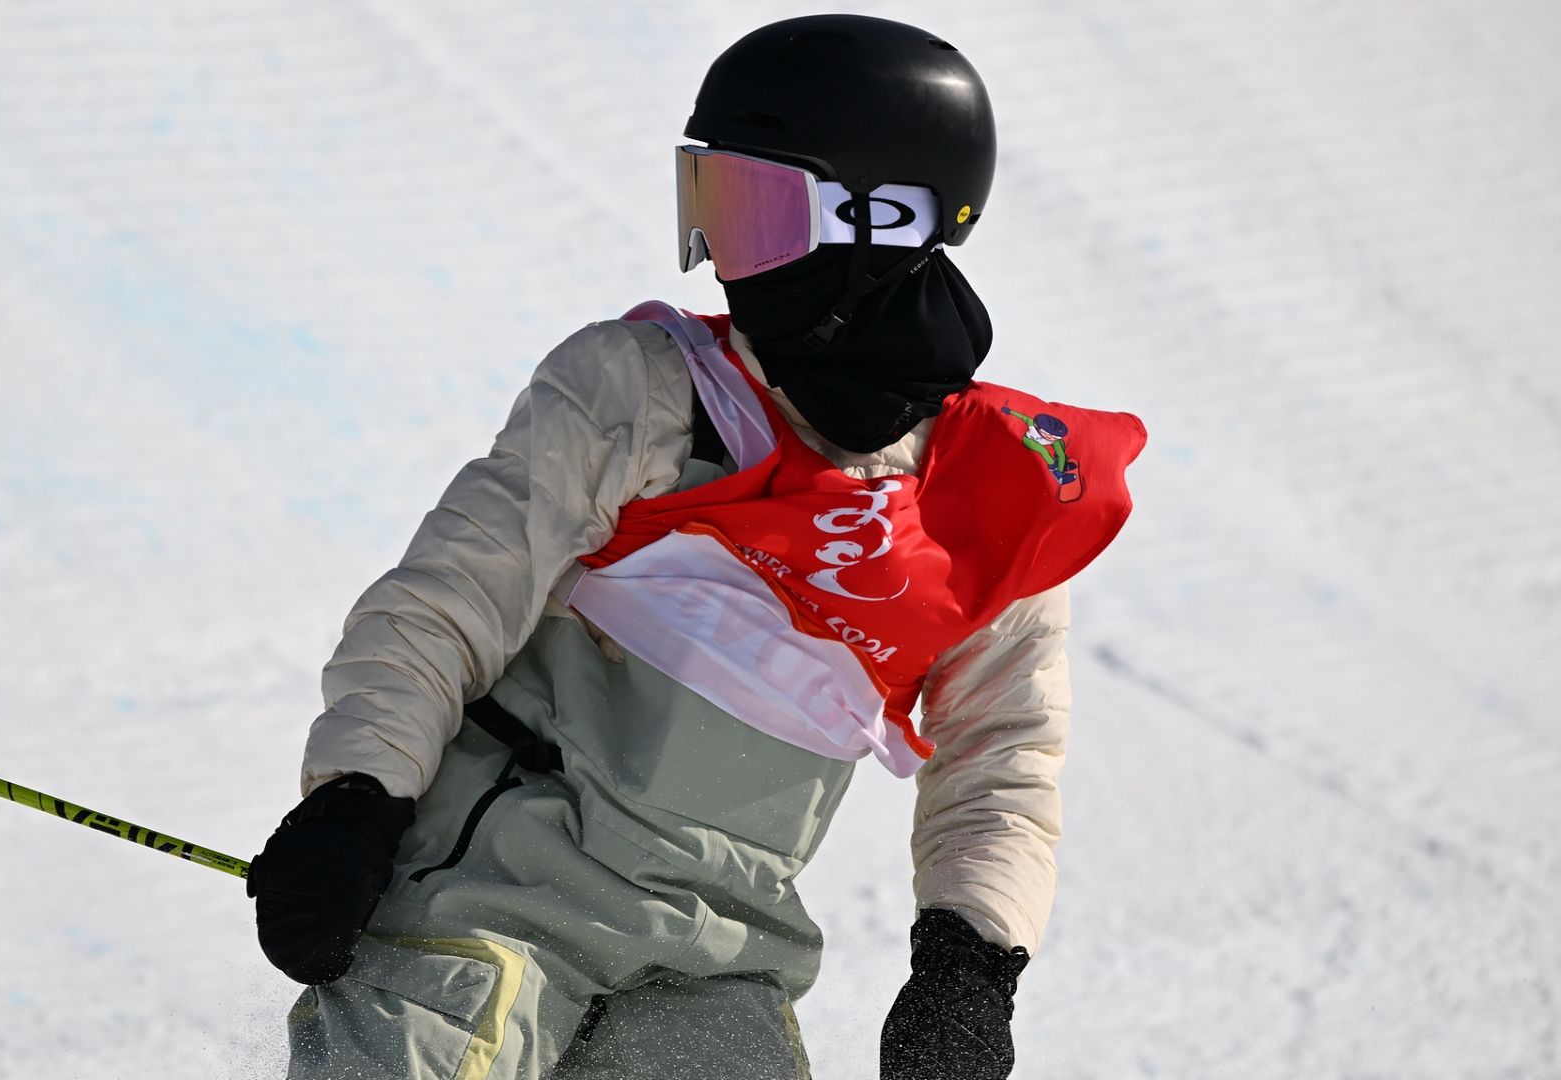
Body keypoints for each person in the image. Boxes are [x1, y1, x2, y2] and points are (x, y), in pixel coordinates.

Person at [247, 14, 1145, 1079]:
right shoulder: (645, 391)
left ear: (885, 220)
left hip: (718, 957)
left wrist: (968, 962)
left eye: (757, 212)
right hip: (489, 904)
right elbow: (446, 601)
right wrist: (357, 796)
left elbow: (1002, 757)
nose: (726, 254)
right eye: (712, 205)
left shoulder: (989, 491)